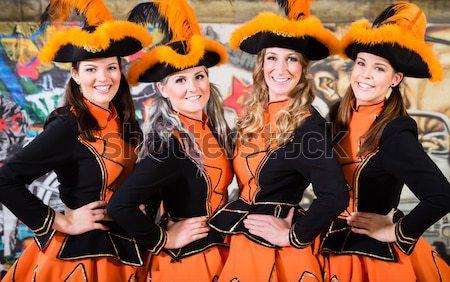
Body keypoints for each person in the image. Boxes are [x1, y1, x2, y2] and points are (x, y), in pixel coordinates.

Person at [0, 0, 153, 280]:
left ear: (120, 70)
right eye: (91, 69)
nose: (103, 78)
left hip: (131, 253)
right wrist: (64, 222)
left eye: (111, 67)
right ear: (75, 75)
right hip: (81, 258)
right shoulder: (68, 126)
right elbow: (6, 180)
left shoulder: (128, 124)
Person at [206, 1, 348, 281]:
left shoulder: (309, 126)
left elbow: (335, 196)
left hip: (274, 252)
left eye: (291, 59)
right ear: (261, 64)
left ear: (303, 68)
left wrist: (294, 235)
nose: (281, 69)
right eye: (272, 58)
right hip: (235, 235)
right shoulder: (252, 116)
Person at [319, 2, 450, 281]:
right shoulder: (335, 117)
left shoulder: (394, 131)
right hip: (323, 242)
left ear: (395, 79)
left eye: (379, 68)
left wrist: (394, 230)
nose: (365, 74)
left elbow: (441, 196)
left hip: (369, 256)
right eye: (362, 63)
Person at [107, 0, 233, 281]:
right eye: (179, 80)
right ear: (162, 88)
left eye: (198, 76)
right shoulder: (169, 143)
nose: (193, 88)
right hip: (187, 265)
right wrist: (164, 239)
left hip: (219, 253)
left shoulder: (212, 128)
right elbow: (120, 206)